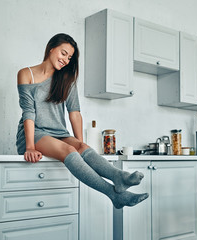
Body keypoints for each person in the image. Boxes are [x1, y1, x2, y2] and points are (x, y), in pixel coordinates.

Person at [16, 33, 148, 209]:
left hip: (58, 133)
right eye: (63, 53)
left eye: (69, 57)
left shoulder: (66, 79)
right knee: (69, 149)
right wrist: (30, 147)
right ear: (51, 48)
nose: (66, 60)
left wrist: (80, 144)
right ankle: (113, 194)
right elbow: (29, 112)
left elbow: (75, 113)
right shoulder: (26, 74)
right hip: (34, 133)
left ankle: (118, 176)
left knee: (82, 147)